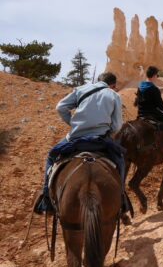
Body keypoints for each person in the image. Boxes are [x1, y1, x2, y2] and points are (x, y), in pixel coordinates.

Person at [33, 72, 124, 214]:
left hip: (75, 139)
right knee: (120, 159)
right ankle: (122, 199)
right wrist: (108, 130)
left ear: (96, 81)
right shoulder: (114, 95)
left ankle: (46, 199)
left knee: (51, 156)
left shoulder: (81, 89)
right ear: (112, 85)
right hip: (99, 139)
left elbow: (60, 107)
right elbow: (117, 125)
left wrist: (73, 123)